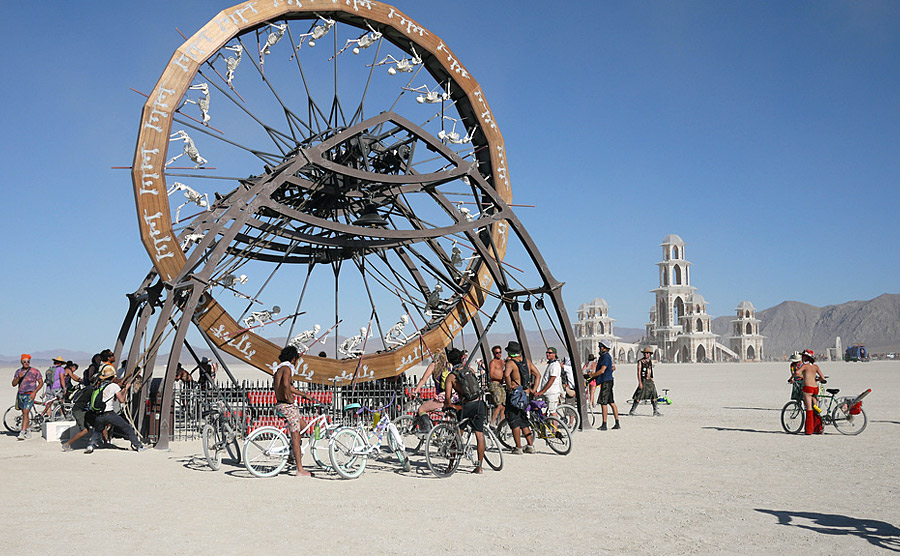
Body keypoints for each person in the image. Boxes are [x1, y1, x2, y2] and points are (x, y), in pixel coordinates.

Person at [85, 353, 146, 453]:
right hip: (109, 414)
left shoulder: (99, 386)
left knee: (97, 430)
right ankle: (138, 446)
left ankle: (91, 445)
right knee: (127, 428)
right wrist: (126, 389)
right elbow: (121, 399)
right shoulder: (113, 386)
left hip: (99, 414)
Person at [272, 345, 318, 478]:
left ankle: (292, 456)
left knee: (304, 427)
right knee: (296, 436)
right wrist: (289, 398)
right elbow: (286, 385)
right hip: (287, 405)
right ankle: (300, 469)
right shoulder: (287, 368)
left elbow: (287, 386)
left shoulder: (279, 369)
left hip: (281, 404)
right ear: (293, 359)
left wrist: (303, 395)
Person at [442, 348, 487, 473]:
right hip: (479, 403)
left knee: (456, 435)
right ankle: (479, 467)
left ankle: (451, 465)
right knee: (479, 434)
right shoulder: (470, 370)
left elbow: (447, 397)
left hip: (466, 406)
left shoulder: (451, 376)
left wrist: (449, 406)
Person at [503, 341, 540, 454]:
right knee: (523, 419)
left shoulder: (510, 363)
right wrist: (533, 389)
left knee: (514, 421)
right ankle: (530, 445)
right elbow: (538, 375)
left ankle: (518, 447)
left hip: (516, 395)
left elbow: (506, 375)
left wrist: (509, 388)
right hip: (526, 394)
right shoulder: (527, 362)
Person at [412, 350, 454, 432]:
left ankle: (428, 429)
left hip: (442, 397)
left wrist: (415, 391)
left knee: (421, 409)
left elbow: (424, 379)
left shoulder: (433, 365)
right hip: (452, 396)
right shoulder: (450, 365)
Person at [586, 340, 619, 430]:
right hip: (607, 380)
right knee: (611, 402)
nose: (599, 348)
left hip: (606, 381)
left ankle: (604, 424)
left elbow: (602, 370)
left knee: (603, 403)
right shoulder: (604, 357)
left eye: (601, 346)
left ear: (605, 347)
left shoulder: (605, 357)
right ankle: (617, 423)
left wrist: (592, 375)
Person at [11, 354, 43, 440]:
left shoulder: (35, 371)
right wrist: (18, 377)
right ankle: (28, 429)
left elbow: (41, 382)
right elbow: (13, 384)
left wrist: (35, 392)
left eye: (28, 361)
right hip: (21, 394)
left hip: (30, 394)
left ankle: (22, 432)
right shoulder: (18, 371)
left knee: (25, 412)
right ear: (22, 362)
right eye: (24, 362)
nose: (26, 363)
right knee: (25, 414)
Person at [799, 349, 826, 435]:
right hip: (815, 388)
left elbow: (797, 372)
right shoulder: (815, 366)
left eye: (803, 356)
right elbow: (822, 378)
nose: (802, 357)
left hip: (808, 388)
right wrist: (816, 379)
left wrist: (792, 377)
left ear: (806, 357)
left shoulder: (805, 366)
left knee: (809, 409)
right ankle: (818, 428)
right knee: (816, 409)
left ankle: (809, 430)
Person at [629, 347, 661, 416]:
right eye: (645, 353)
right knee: (638, 396)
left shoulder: (649, 361)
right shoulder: (640, 361)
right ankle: (632, 411)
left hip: (649, 380)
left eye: (648, 353)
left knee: (654, 396)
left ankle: (655, 411)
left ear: (649, 354)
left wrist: (652, 378)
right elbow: (638, 372)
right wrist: (640, 382)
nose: (646, 354)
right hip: (643, 380)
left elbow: (650, 370)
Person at [535, 346, 563, 416]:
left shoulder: (555, 365)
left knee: (552, 411)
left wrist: (542, 391)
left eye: (550, 353)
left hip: (552, 392)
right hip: (546, 392)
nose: (548, 354)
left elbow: (551, 380)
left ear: (554, 354)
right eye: (547, 353)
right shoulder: (550, 364)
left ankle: (555, 426)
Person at [487, 345, 506, 427]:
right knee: (498, 405)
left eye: (500, 352)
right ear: (494, 354)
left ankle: (501, 423)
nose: (499, 354)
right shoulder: (493, 362)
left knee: (503, 405)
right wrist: (500, 377)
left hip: (501, 384)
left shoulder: (502, 362)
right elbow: (491, 374)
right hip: (494, 384)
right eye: (497, 353)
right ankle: (492, 422)